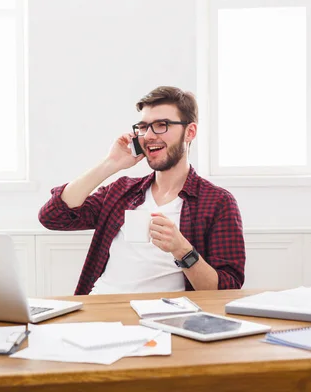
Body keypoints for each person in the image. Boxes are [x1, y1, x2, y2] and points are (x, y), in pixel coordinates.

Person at [38, 86, 245, 295]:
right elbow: (53, 217)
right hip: (100, 308)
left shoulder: (218, 202)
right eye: (143, 127)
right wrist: (110, 164)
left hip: (162, 316)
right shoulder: (121, 191)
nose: (148, 136)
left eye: (161, 125)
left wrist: (182, 249)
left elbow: (226, 289)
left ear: (189, 132)